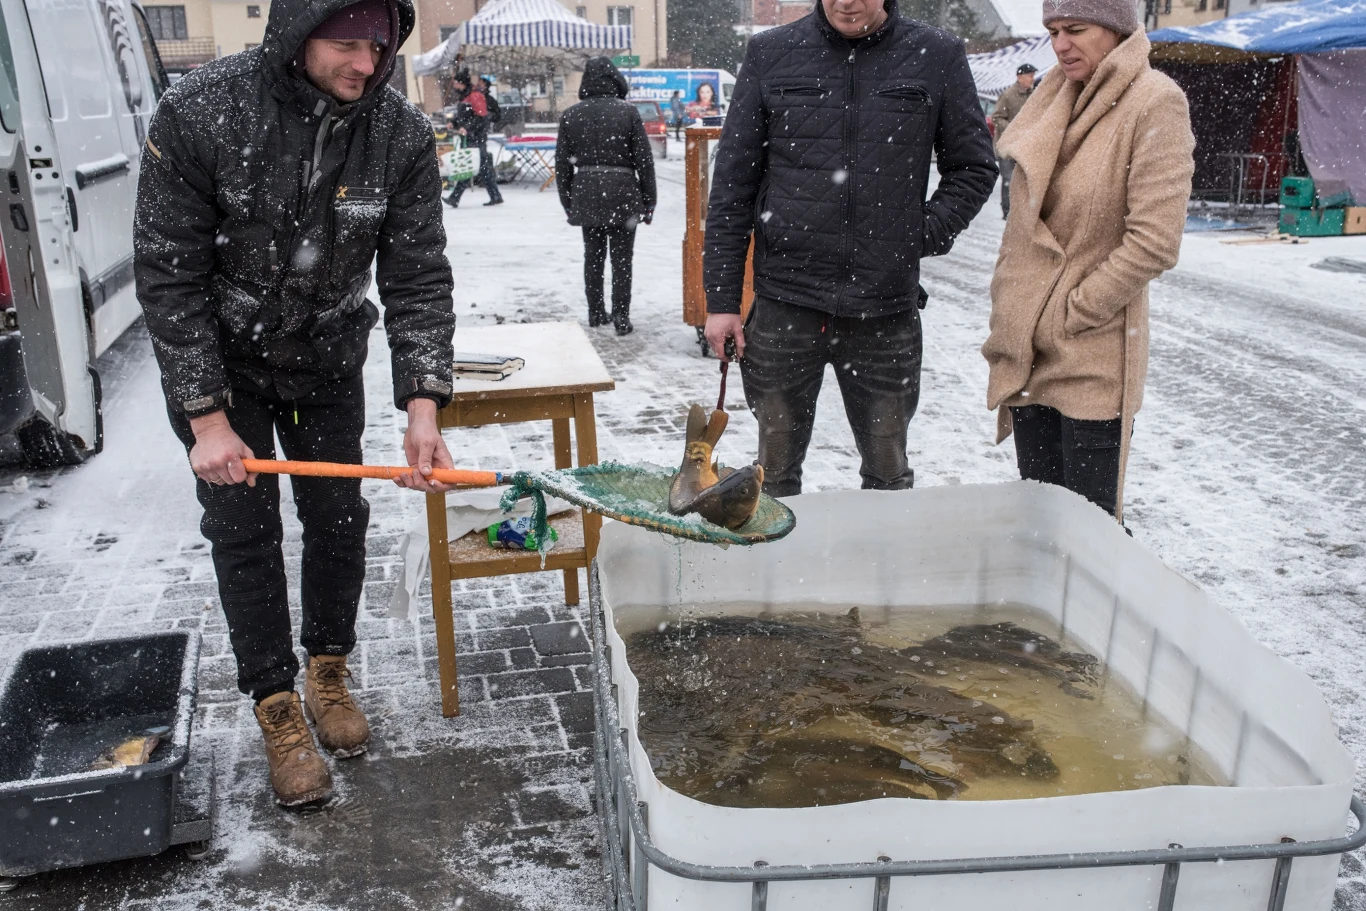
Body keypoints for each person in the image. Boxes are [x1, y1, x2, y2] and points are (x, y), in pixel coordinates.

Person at [134, 0, 458, 807]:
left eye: (379, 46)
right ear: (296, 35)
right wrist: (206, 414)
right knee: (244, 533)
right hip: (228, 366)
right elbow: (167, 273)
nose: (366, 62)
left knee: (338, 517)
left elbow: (417, 277)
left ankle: (328, 669)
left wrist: (423, 404)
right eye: (346, 42)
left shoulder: (399, 135)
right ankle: (275, 702)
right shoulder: (200, 112)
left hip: (327, 357)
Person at [703, 0, 997, 497]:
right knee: (772, 476)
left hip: (884, 311)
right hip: (785, 304)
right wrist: (722, 302)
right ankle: (779, 570)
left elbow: (973, 168)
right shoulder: (770, 53)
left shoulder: (936, 54)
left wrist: (918, 234)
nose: (846, 2)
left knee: (887, 470)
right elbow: (732, 188)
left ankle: (882, 572)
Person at [981, 0, 1195, 520]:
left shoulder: (1155, 102)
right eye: (1052, 31)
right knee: (1041, 525)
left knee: (1090, 533)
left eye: (1075, 29)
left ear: (1116, 29)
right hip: (1027, 349)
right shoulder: (1053, 97)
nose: (1059, 45)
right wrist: (1021, 313)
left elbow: (1153, 242)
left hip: (1091, 354)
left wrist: (1071, 313)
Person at [556, 57, 657, 335]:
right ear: (615, 81)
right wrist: (650, 201)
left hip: (587, 193)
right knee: (623, 259)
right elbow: (644, 162)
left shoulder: (571, 115)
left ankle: (596, 311)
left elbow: (562, 166)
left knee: (593, 256)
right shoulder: (628, 113)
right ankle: (622, 316)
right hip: (623, 192)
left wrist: (568, 202)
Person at [445, 69, 503, 207]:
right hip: (471, 137)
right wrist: (453, 122)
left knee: (471, 165)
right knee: (479, 167)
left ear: (462, 83)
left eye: (455, 83)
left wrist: (467, 128)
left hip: (476, 137)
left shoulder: (474, 96)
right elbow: (465, 116)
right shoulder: (466, 96)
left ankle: (455, 197)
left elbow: (481, 117)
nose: (454, 86)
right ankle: (495, 196)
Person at [990, 63, 1036, 219]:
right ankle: (1007, 212)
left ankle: (1022, 213)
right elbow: (996, 117)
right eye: (1030, 75)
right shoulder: (1008, 95)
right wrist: (1013, 129)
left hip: (1025, 146)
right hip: (1007, 147)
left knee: (1025, 180)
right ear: (1020, 77)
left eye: (1033, 76)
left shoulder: (1034, 94)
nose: (1032, 79)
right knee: (1008, 179)